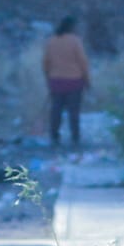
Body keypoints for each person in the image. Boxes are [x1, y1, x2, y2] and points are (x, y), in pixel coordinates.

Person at [42, 16, 91, 148]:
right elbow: (83, 62)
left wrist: (48, 78)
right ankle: (75, 138)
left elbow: (46, 62)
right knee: (73, 112)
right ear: (72, 27)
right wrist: (87, 80)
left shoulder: (51, 41)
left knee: (55, 111)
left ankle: (54, 137)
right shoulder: (75, 41)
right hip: (74, 81)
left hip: (56, 80)